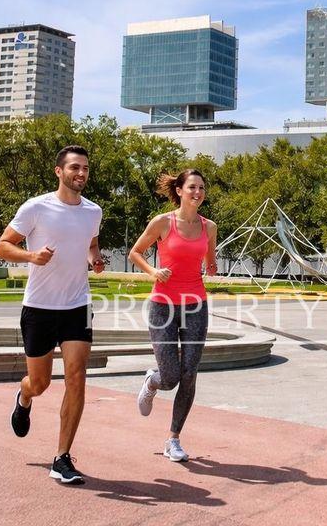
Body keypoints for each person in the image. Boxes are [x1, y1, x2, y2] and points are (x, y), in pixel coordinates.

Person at [0, 145, 104, 484]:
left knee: (76, 376)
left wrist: (95, 259)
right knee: (40, 383)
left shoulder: (93, 211)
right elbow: (2, 246)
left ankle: (62, 457)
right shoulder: (36, 207)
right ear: (59, 171)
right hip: (39, 308)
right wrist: (31, 256)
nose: (81, 173)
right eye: (74, 167)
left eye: (85, 168)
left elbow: (91, 244)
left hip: (77, 305)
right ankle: (24, 395)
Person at [128, 168, 218, 462]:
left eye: (201, 188)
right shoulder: (163, 222)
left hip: (196, 306)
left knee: (189, 374)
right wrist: (153, 271)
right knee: (170, 377)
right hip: (163, 305)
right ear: (179, 191)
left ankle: (173, 439)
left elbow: (210, 261)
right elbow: (135, 252)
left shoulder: (209, 227)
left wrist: (211, 268)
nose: (198, 192)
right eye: (192, 187)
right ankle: (152, 381)